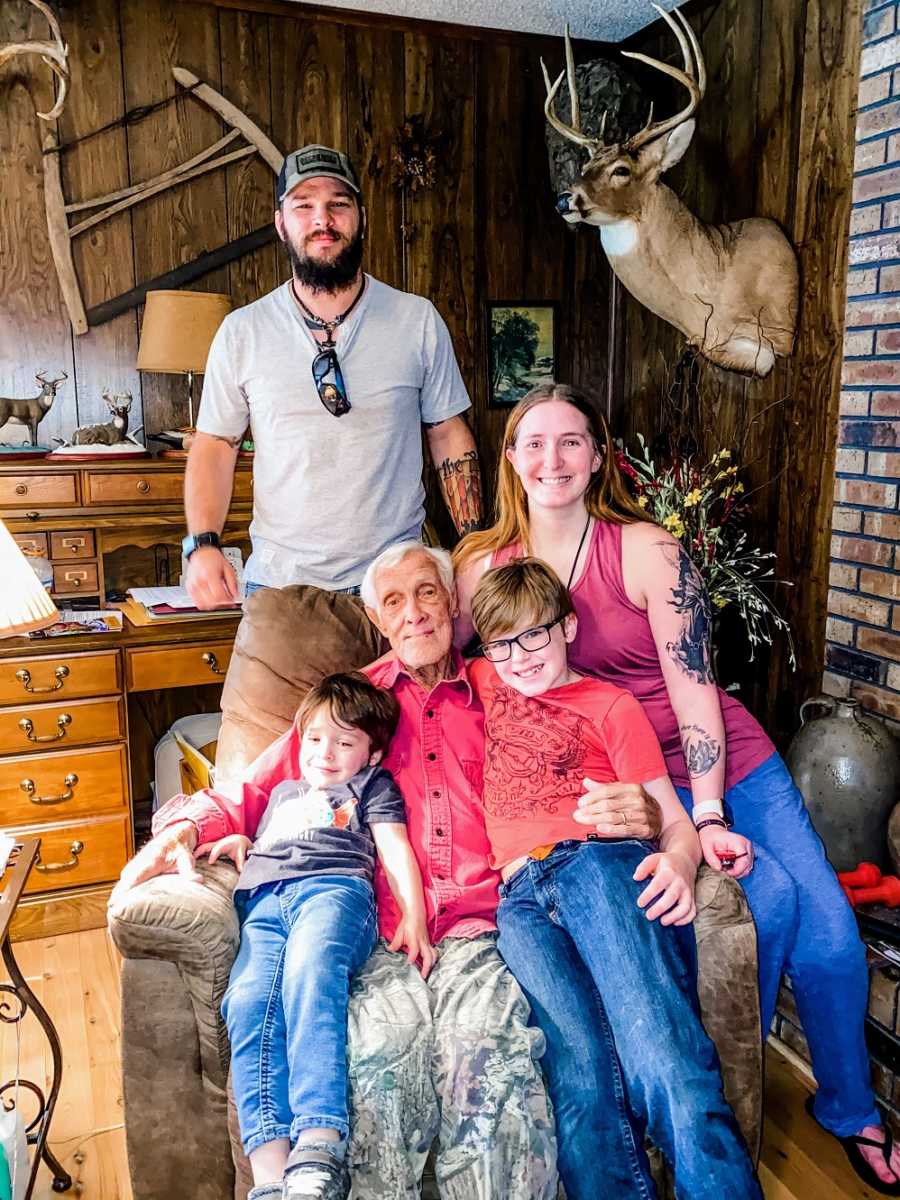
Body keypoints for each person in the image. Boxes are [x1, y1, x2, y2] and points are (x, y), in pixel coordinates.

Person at [453, 382, 898, 1196]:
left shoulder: (649, 549)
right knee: (763, 906)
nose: (552, 459)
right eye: (533, 442)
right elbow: (437, 665)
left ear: (597, 456)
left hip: (714, 753)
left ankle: (851, 1110)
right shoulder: (482, 563)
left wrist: (705, 811)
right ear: (510, 458)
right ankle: (732, 1097)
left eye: (571, 442)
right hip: (607, 758)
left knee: (831, 936)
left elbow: (696, 693)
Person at [122, 541, 665, 1198]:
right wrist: (185, 823)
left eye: (427, 592)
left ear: (453, 603)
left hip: (481, 932)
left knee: (488, 1077)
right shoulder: (352, 708)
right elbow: (253, 786)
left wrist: (648, 806)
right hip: (379, 938)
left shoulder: (505, 685)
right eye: (394, 601)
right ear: (377, 619)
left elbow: (581, 748)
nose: (414, 613)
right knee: (374, 1076)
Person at [467, 557, 761, 1199]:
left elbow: (674, 822)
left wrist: (682, 860)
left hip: (595, 866)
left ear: (568, 626)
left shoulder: (611, 705)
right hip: (517, 903)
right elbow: (396, 668)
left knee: (661, 1057)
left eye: (534, 635)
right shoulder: (486, 683)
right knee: (579, 1086)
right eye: (501, 644)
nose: (519, 658)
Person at [182, 143, 484, 608]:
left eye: (338, 204)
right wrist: (202, 544)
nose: (322, 220)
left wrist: (475, 546)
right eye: (304, 206)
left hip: (398, 588)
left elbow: (446, 433)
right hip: (281, 587)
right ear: (281, 222)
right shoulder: (242, 331)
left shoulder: (416, 320)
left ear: (360, 216)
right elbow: (215, 446)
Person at [202, 672, 433, 1200]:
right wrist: (241, 839)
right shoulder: (284, 792)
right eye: (314, 738)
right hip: (263, 902)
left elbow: (394, 851)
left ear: (372, 755)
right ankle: (271, 1177)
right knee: (247, 1000)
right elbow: (268, 840)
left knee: (309, 971)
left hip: (332, 892)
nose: (324, 753)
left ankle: (319, 1140)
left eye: (345, 742)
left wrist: (413, 915)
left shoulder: (371, 787)